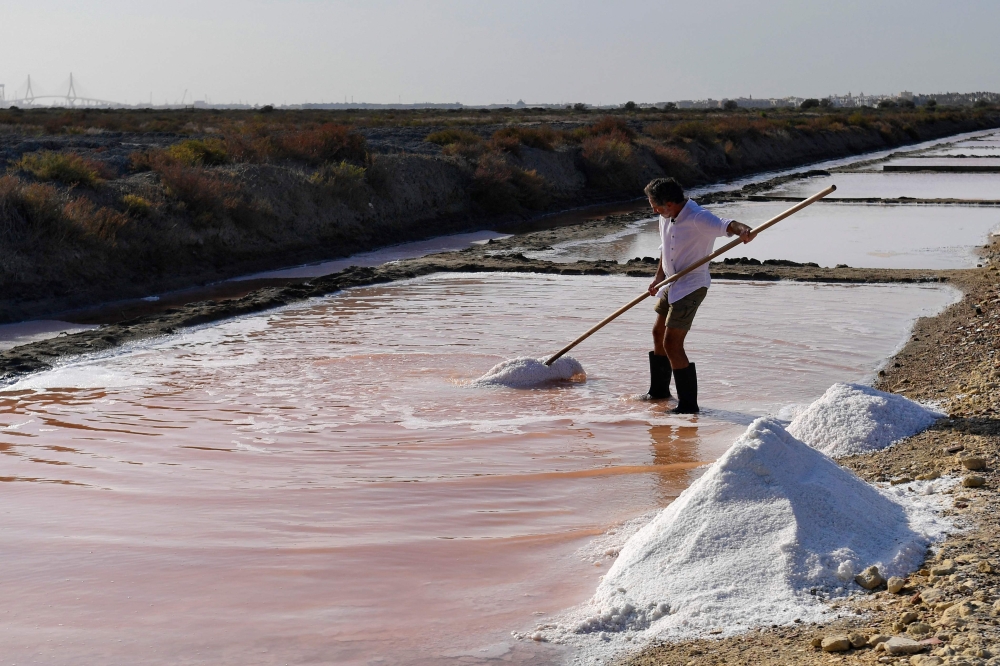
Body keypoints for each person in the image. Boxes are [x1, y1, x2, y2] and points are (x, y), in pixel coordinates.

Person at [641, 178, 755, 413]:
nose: (653, 210)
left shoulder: (698, 217)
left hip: (691, 285)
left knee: (672, 343)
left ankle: (688, 406)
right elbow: (665, 249)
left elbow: (728, 225)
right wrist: (657, 278)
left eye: (656, 206)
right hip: (671, 283)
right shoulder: (665, 217)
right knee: (657, 332)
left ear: (670, 203)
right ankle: (659, 392)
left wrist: (743, 230)